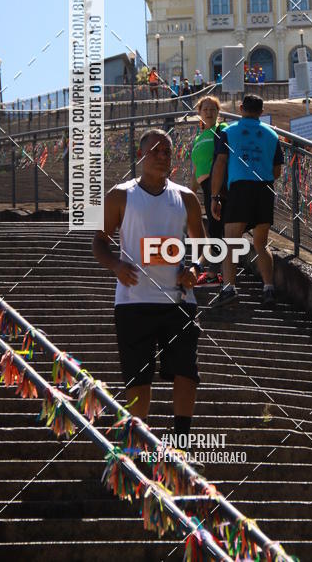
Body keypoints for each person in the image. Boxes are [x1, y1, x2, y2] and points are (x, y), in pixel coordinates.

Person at [92, 129, 204, 440]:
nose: (161, 156)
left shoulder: (186, 198)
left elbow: (204, 246)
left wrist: (194, 268)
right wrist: (116, 265)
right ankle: (138, 443)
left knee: (186, 372)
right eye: (154, 150)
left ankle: (181, 442)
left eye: (167, 151)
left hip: (179, 300)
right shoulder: (121, 195)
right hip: (133, 301)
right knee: (138, 378)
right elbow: (99, 241)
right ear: (141, 155)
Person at [209, 93, 284, 308]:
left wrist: (215, 196)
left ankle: (229, 289)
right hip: (264, 188)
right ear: (262, 112)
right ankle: (269, 288)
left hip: (240, 188)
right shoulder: (272, 135)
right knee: (261, 243)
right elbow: (277, 170)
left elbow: (220, 163)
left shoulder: (227, 131)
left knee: (231, 242)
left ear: (241, 108)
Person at [190, 96, 228, 285]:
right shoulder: (198, 137)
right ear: (199, 113)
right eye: (205, 109)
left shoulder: (221, 130)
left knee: (216, 229)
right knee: (213, 229)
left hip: (217, 185)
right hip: (205, 187)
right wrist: (190, 192)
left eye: (213, 109)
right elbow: (196, 168)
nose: (209, 112)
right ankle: (215, 272)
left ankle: (215, 274)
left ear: (218, 112)